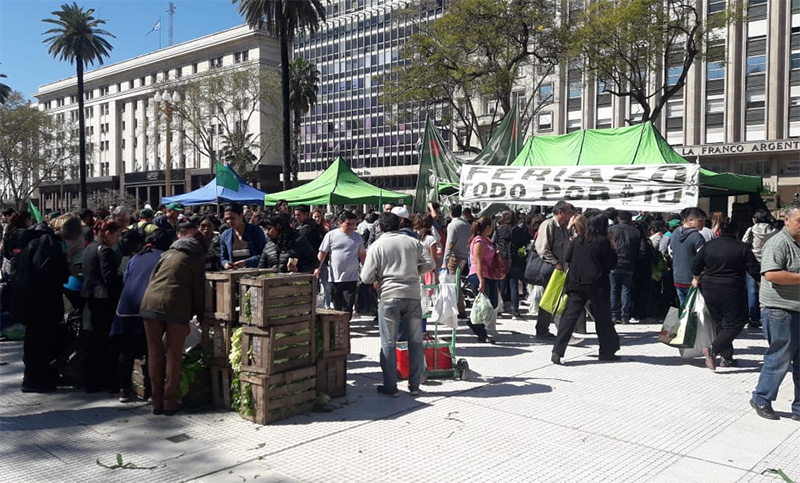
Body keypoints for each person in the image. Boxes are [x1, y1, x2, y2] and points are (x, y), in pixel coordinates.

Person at [360, 212, 435, 397]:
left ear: (380, 227)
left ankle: (391, 387)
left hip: (389, 296)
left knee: (389, 343)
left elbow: (365, 277)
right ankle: (415, 385)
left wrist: (379, 278)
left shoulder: (377, 246)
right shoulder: (413, 242)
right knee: (416, 341)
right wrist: (415, 273)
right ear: (399, 224)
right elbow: (430, 263)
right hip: (412, 295)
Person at [139, 222, 206, 415]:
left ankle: (156, 401)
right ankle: (170, 401)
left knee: (154, 353)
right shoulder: (195, 258)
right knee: (173, 355)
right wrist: (200, 316)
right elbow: (199, 291)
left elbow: (152, 279)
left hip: (149, 305)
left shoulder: (166, 254)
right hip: (176, 307)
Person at [749, 201, 800, 421]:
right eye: (799, 221)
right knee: (780, 357)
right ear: (786, 220)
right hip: (780, 310)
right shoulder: (778, 242)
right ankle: (761, 398)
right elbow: (770, 274)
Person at [691, 217, 760, 370]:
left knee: (720, 323)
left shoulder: (709, 246)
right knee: (737, 322)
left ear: (720, 231)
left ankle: (726, 357)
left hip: (709, 288)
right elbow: (754, 270)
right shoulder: (742, 247)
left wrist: (696, 278)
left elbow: (695, 265)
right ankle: (713, 349)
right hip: (732, 288)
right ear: (736, 231)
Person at [112, 229, 172, 402]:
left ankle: (124, 391)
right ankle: (154, 392)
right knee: (152, 351)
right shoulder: (164, 257)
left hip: (126, 307)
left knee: (126, 350)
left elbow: (125, 280)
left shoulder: (136, 257)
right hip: (148, 308)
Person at [552, 214, 619, 365]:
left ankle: (557, 351)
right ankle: (607, 351)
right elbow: (611, 264)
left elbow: (568, 258)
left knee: (569, 318)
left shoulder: (578, 239)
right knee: (603, 319)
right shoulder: (602, 241)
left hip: (576, 282)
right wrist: (614, 248)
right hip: (597, 284)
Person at [16, 219, 74, 392]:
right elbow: (46, 271)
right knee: (40, 341)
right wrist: (66, 269)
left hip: (33, 300)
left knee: (38, 340)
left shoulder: (39, 239)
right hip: (41, 302)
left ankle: (41, 376)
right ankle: (36, 379)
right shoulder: (47, 242)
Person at [81, 220, 123, 393]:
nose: (118, 239)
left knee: (94, 338)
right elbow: (109, 277)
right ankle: (103, 379)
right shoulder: (105, 250)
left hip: (90, 296)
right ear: (107, 233)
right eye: (117, 235)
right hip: (103, 298)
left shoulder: (90, 247)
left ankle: (91, 380)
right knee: (104, 339)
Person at [534, 201, 575, 339]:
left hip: (561, 269)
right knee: (549, 299)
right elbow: (542, 248)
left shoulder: (564, 227)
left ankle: (549, 328)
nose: (571, 215)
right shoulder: (548, 225)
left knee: (557, 299)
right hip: (551, 268)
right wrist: (555, 263)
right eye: (569, 212)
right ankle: (543, 329)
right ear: (561, 212)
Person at [315, 211, 366, 313]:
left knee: (348, 307)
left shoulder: (357, 237)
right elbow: (322, 254)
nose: (351, 226)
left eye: (353, 224)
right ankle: (339, 327)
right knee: (338, 308)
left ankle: (346, 326)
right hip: (335, 279)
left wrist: (366, 271)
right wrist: (318, 268)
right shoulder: (331, 235)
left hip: (351, 278)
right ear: (340, 223)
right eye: (348, 224)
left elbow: (362, 255)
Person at [741, 209, 780, 328]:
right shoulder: (774, 230)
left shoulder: (751, 230)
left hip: (753, 262)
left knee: (752, 292)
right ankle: (769, 316)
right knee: (771, 289)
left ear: (756, 218)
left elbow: (744, 243)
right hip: (770, 262)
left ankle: (754, 318)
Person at [467, 216, 499, 343]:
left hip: (489, 274)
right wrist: (481, 280)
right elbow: (478, 262)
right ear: (487, 227)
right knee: (483, 305)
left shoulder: (487, 240)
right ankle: (481, 332)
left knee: (492, 304)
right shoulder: (479, 241)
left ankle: (478, 326)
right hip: (479, 274)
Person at [607, 210, 641, 325]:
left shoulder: (611, 230)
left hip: (614, 263)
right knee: (626, 289)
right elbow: (642, 249)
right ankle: (625, 316)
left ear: (619, 218)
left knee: (613, 289)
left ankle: (613, 315)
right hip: (629, 264)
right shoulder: (636, 232)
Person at [670, 207, 706, 306]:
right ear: (690, 221)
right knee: (696, 312)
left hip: (677, 278)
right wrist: (697, 277)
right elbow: (702, 259)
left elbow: (671, 253)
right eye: (700, 221)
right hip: (694, 280)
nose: (703, 224)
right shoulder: (697, 237)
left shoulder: (674, 234)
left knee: (684, 309)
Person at [443, 204, 471, 318]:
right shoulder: (467, 225)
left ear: (450, 212)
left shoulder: (452, 225)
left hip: (454, 256)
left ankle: (458, 308)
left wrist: (445, 260)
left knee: (452, 283)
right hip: (464, 255)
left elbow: (449, 243)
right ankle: (459, 307)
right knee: (457, 282)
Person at [220, 203, 267, 269]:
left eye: (232, 218)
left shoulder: (255, 230)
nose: (229, 221)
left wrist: (246, 262)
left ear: (241, 216)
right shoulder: (225, 235)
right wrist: (226, 264)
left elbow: (263, 254)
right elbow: (223, 258)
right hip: (234, 274)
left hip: (254, 271)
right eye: (227, 219)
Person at [494, 211, 515, 314]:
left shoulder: (499, 229)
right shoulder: (515, 230)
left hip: (500, 257)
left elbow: (493, 241)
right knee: (512, 283)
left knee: (500, 281)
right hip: (512, 258)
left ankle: (499, 305)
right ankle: (513, 308)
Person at [412, 213, 441, 285]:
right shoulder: (430, 239)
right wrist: (436, 276)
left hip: (414, 272)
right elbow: (434, 261)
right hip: (427, 273)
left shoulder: (413, 237)